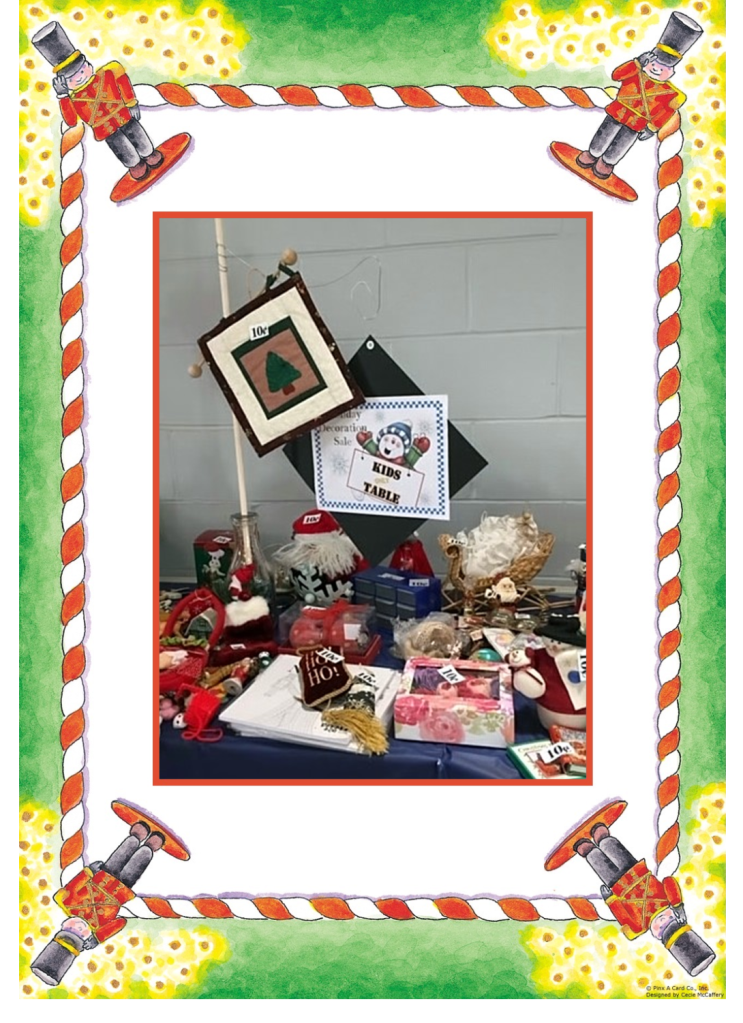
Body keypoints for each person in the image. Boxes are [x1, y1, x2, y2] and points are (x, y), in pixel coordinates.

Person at [30, 821, 165, 987]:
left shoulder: (65, 901)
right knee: (140, 860)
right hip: (122, 889)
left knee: (122, 852)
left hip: (105, 873)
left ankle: (135, 837)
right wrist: (99, 937)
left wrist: (89, 871)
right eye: (80, 934)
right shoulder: (99, 927)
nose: (79, 928)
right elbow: (121, 922)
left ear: (64, 926)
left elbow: (75, 884)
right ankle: (150, 847)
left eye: (71, 929)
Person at [575, 822, 715, 977]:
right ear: (677, 918)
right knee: (615, 850)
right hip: (635, 870)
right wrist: (677, 904)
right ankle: (603, 839)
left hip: (617, 885)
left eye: (662, 928)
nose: (662, 921)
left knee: (600, 864)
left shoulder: (638, 926)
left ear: (659, 937)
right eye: (669, 921)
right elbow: (668, 881)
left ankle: (590, 852)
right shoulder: (668, 901)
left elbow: (622, 915)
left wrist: (610, 899)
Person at [31, 21, 164, 182]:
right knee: (121, 148)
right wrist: (62, 96)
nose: (79, 76)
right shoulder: (71, 99)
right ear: (65, 83)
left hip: (124, 115)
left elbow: (122, 80)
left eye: (81, 69)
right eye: (71, 77)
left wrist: (131, 102)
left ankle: (149, 153)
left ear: (88, 64)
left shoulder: (107, 74)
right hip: (106, 130)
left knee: (137, 134)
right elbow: (71, 121)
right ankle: (135, 165)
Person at [576, 12, 703, 180]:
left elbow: (665, 112)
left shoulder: (672, 94)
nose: (656, 68)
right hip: (617, 111)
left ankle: (607, 163)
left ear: (671, 72)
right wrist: (636, 62)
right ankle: (592, 154)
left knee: (621, 144)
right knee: (604, 134)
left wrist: (652, 128)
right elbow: (616, 75)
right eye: (654, 63)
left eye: (663, 67)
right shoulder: (635, 71)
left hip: (637, 123)